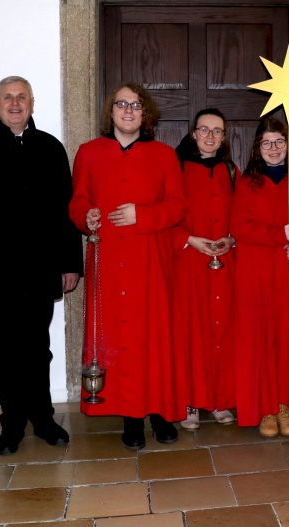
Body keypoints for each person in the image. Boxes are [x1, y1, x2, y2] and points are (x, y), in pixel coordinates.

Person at [0, 76, 83, 455]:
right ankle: (12, 423)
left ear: (32, 103)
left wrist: (70, 263)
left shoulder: (50, 147)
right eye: (7, 97)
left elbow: (66, 208)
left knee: (38, 347)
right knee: (8, 349)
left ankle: (44, 418)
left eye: (21, 97)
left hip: (42, 265)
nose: (14, 103)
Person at [69, 83, 189, 450]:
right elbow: (77, 201)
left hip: (149, 261)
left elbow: (177, 207)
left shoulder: (165, 155)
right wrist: (85, 216)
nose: (128, 110)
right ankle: (131, 418)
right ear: (112, 111)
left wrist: (142, 214)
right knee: (116, 340)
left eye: (135, 105)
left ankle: (159, 411)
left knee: (152, 338)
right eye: (121, 104)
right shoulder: (89, 152)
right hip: (107, 262)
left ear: (145, 114)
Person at [230, 117, 289, 438]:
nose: (274, 149)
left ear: (288, 146)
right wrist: (277, 235)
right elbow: (239, 225)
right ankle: (265, 407)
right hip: (256, 270)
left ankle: (286, 405)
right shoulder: (247, 182)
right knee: (260, 338)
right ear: (257, 148)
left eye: (279, 142)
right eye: (267, 143)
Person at [173, 108, 238, 430]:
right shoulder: (176, 167)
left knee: (223, 330)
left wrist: (231, 238)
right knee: (191, 333)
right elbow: (165, 213)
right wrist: (188, 239)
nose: (211, 136)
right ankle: (190, 402)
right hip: (188, 262)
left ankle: (220, 400)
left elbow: (241, 215)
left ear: (224, 137)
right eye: (204, 130)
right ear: (193, 133)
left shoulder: (231, 170)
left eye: (218, 131)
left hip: (223, 264)